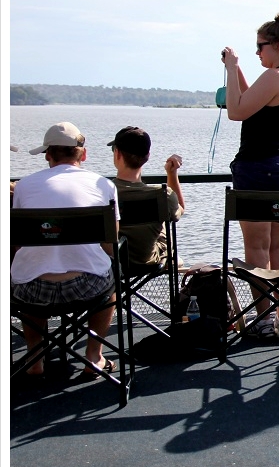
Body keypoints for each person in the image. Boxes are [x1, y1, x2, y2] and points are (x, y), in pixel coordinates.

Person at [221, 12, 279, 341]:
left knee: (256, 246)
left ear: (277, 45)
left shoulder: (274, 76)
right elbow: (252, 102)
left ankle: (264, 318)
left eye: (260, 46)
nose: (257, 52)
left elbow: (236, 111)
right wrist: (237, 70)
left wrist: (230, 69)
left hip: (260, 166)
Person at [11, 122, 120, 379]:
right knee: (110, 285)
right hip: (87, 287)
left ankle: (35, 357)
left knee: (28, 270)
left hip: (33, 290)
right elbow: (111, 244)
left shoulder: (24, 186)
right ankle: (93, 356)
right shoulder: (103, 185)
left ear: (47, 154)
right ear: (83, 154)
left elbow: (18, 244)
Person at [108, 126, 185, 272]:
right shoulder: (163, 195)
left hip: (113, 261)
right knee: (164, 219)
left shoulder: (103, 193)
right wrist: (172, 173)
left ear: (117, 154)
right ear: (147, 156)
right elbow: (180, 210)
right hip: (149, 261)